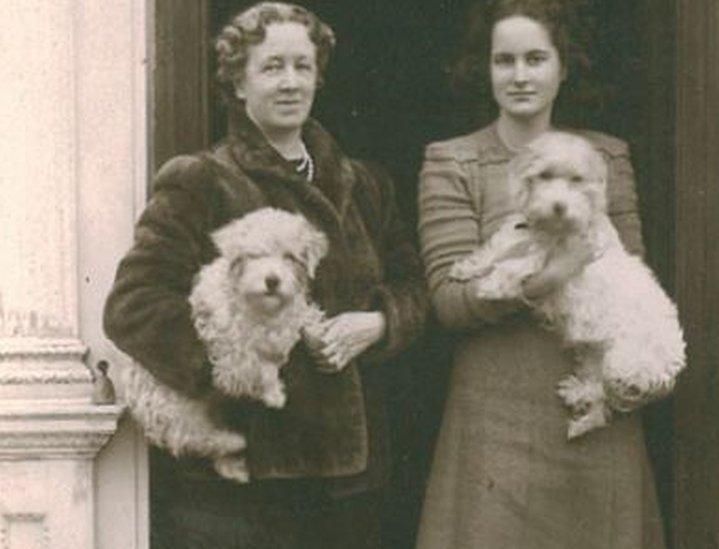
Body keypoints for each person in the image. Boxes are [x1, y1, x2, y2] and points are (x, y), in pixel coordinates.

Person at [102, 3, 427, 547]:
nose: (290, 82)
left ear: (319, 78)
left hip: (352, 477)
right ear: (238, 82)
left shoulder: (364, 185)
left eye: (303, 67)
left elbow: (413, 288)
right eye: (271, 66)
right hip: (245, 476)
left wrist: (376, 324)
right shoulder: (202, 180)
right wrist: (234, 368)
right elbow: (132, 305)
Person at [415, 0, 666, 547]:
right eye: (504, 60)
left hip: (593, 409)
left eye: (536, 58)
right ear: (485, 69)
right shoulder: (452, 161)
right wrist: (552, 275)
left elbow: (632, 281)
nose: (520, 75)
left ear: (563, 66)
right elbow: (451, 303)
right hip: (496, 415)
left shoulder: (605, 157)